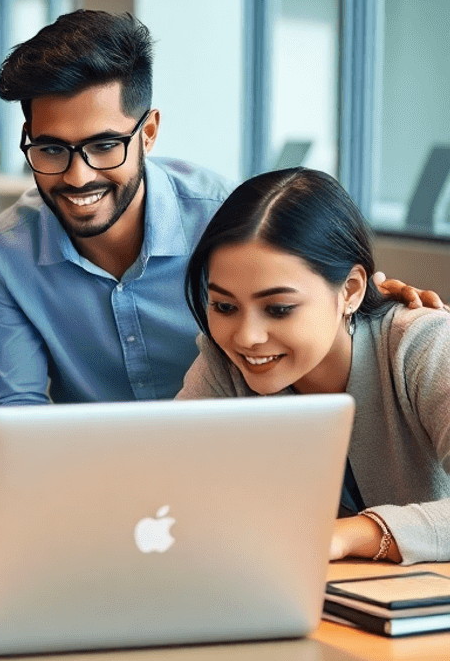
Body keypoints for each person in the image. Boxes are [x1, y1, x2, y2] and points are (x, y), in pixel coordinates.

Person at [0, 9, 443, 408]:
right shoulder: (4, 251)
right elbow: (19, 408)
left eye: (104, 145)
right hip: (98, 476)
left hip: (246, 460)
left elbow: (320, 311)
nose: (78, 177)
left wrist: (372, 311)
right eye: (51, 149)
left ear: (149, 132)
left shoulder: (228, 221)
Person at [179, 169, 450, 564]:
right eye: (225, 306)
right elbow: (168, 490)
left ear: (351, 290)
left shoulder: (422, 345)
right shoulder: (224, 363)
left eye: (279, 309)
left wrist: (349, 535)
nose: (246, 336)